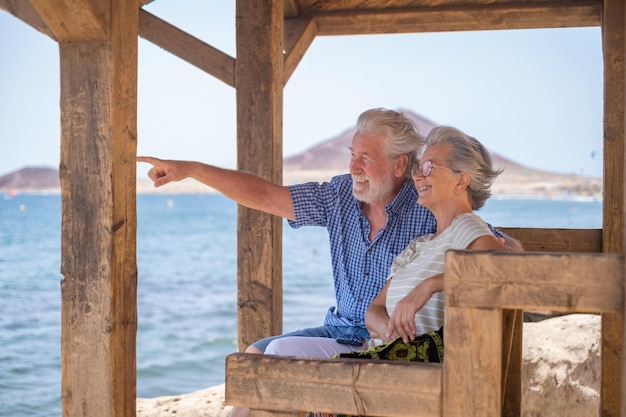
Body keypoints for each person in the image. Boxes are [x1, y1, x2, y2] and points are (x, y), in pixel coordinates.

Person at [137, 108, 521, 360]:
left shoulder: (426, 207)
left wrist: (504, 249)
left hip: (384, 349)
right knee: (252, 358)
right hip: (344, 330)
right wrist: (191, 169)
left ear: (401, 164)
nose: (352, 167)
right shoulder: (339, 196)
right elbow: (268, 196)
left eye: (365, 158)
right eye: (351, 155)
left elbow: (492, 250)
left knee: (271, 362)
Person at [335, 126, 507, 367]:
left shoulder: (465, 227)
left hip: (420, 376)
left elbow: (507, 270)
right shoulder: (420, 245)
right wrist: (391, 333)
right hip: (386, 362)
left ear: (461, 180)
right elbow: (374, 308)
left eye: (428, 168)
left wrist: (428, 286)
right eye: (418, 168)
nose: (417, 176)